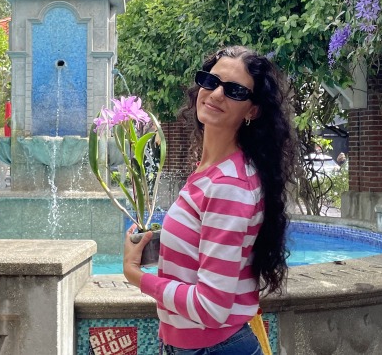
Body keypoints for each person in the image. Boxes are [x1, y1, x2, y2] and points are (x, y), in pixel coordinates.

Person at [123, 46, 295, 354]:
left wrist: (135, 275)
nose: (216, 94)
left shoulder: (229, 184)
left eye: (235, 91)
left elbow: (211, 308)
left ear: (253, 110)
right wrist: (158, 243)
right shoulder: (211, 170)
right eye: (211, 81)